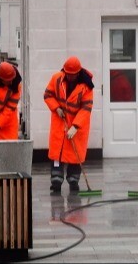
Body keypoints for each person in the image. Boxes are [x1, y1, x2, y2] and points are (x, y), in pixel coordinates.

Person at [43, 56, 94, 194]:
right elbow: (47, 95)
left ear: (78, 73)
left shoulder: (87, 87)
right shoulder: (57, 78)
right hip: (60, 121)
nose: (70, 77)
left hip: (77, 125)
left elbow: (86, 108)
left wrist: (75, 126)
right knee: (57, 154)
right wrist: (56, 108)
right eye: (68, 74)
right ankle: (56, 183)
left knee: (74, 155)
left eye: (73, 75)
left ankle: (73, 182)